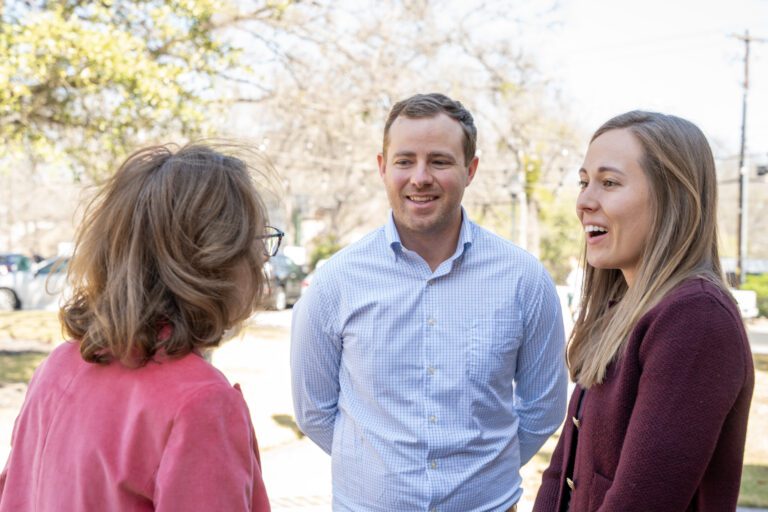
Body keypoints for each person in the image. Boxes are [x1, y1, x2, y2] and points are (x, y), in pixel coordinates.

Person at [291, 93, 568, 511]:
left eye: (439, 161)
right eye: (404, 161)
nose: (420, 177)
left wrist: (481, 474)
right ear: (383, 168)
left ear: (469, 170)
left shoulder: (523, 279)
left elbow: (544, 407)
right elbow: (315, 412)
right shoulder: (336, 283)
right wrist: (382, 473)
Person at [0, 144, 279, 511]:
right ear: (214, 260)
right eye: (257, 241)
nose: (262, 257)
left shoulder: (58, 366)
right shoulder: (200, 403)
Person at [533, 111, 755, 512]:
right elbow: (560, 475)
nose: (584, 201)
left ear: (673, 196)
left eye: (609, 183)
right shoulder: (619, 311)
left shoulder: (696, 319)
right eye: (584, 182)